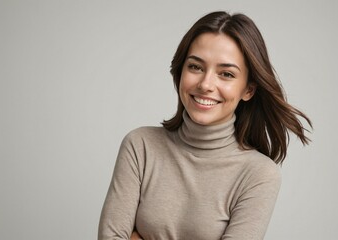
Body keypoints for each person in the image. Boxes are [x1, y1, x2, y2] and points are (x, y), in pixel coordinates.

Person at [98, 11, 312, 240]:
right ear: (181, 72)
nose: (206, 84)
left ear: (248, 89)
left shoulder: (259, 174)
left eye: (226, 74)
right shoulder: (140, 146)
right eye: (196, 67)